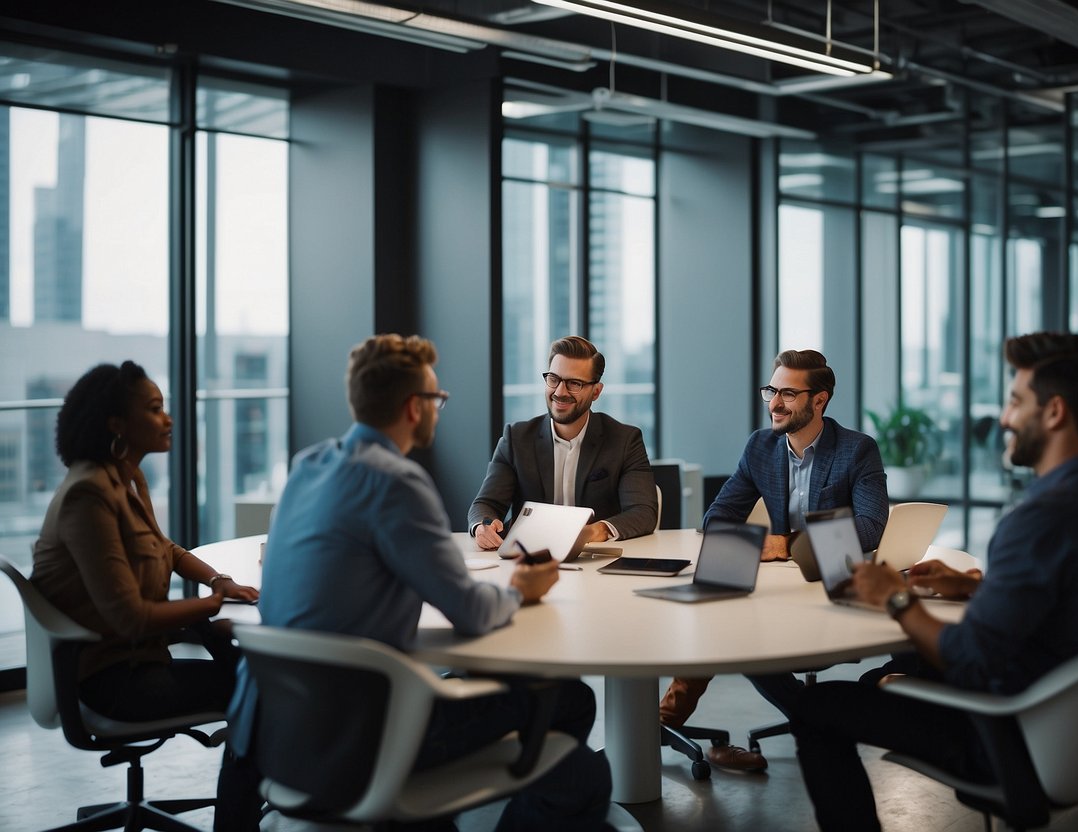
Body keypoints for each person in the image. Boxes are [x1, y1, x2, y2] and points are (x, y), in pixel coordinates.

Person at [788, 331, 1078, 832]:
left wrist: (897, 597)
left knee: (816, 707)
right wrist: (975, 589)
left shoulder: (1040, 520)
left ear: (1055, 412)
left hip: (1011, 735)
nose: (1004, 418)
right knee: (884, 674)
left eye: (1016, 401)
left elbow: (970, 660)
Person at [218, 334, 613, 832]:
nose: (439, 409)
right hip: (366, 733)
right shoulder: (398, 483)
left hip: (278, 728)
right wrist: (519, 592)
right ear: (413, 408)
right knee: (574, 707)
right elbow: (470, 611)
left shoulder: (308, 466)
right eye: (436, 399)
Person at [660, 348, 889, 772]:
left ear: (819, 401)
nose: (774, 403)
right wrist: (747, 543)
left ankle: (665, 719)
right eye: (771, 390)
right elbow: (718, 517)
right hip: (777, 587)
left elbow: (871, 526)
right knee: (722, 614)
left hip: (829, 586)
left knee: (739, 633)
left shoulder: (856, 451)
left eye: (788, 393)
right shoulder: (762, 447)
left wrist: (786, 543)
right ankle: (811, 718)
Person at [30, 361, 258, 722]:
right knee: (258, 688)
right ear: (116, 424)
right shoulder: (88, 494)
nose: (168, 420)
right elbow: (131, 617)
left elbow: (164, 549)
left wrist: (219, 582)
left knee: (259, 677)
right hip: (115, 682)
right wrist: (211, 605)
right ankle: (256, 779)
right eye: (154, 410)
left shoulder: (125, 478)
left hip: (140, 661)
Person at [468, 335, 657, 549]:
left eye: (574, 383)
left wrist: (594, 531)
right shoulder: (516, 438)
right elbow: (486, 504)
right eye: (553, 379)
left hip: (594, 559)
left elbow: (643, 512)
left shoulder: (625, 440)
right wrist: (483, 525)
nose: (559, 391)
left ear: (596, 391)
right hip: (529, 559)